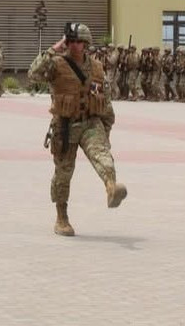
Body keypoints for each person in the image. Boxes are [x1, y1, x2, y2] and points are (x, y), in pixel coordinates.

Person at [28, 24, 127, 237]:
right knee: (63, 174)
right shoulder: (56, 64)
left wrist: (105, 132)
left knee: (104, 158)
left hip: (91, 123)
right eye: (71, 41)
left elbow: (105, 101)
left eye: (79, 42)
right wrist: (54, 48)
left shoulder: (97, 68)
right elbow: (33, 73)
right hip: (65, 125)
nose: (75, 45)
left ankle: (111, 188)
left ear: (86, 44)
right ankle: (61, 217)